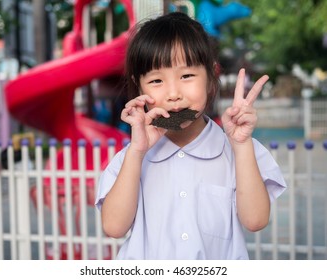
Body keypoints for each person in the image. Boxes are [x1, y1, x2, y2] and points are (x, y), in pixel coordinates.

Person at [95, 12, 286, 260]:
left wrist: (241, 146)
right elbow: (113, 227)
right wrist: (137, 152)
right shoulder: (130, 158)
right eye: (156, 80)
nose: (173, 93)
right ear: (139, 86)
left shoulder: (240, 149)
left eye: (186, 76)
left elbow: (256, 221)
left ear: (210, 77)